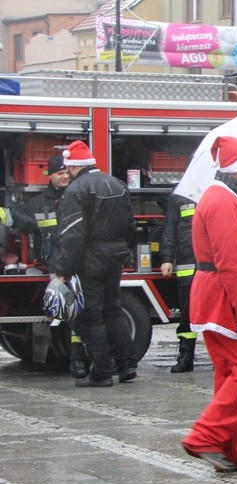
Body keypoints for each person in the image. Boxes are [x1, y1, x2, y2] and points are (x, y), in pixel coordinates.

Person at [181, 136, 237, 473]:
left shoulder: (224, 197)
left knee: (231, 373)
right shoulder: (223, 201)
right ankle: (206, 436)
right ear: (235, 166)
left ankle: (233, 449)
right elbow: (231, 263)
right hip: (225, 298)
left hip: (218, 294)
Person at [48, 140, 136, 388]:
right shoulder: (116, 184)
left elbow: (73, 235)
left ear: (74, 167)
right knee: (114, 310)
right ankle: (127, 366)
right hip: (115, 258)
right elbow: (131, 226)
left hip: (90, 262)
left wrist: (63, 271)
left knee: (89, 317)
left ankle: (102, 372)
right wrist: (123, 251)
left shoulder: (76, 191)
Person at [9, 153, 89, 377]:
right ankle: (70, 359)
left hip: (80, 262)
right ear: (50, 175)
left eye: (66, 172)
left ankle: (78, 361)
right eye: (59, 173)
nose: (64, 176)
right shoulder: (39, 203)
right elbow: (13, 216)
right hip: (57, 267)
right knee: (63, 315)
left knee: (78, 316)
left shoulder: (79, 196)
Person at [159, 192, 199, 373]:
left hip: (213, 267)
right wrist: (166, 258)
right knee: (187, 314)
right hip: (187, 264)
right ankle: (185, 356)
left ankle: (220, 358)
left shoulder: (219, 192)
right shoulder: (180, 196)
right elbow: (170, 228)